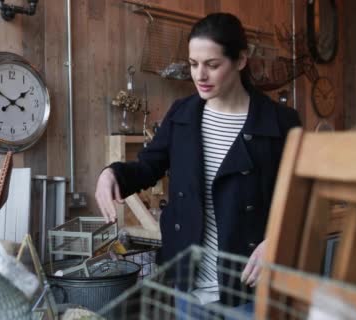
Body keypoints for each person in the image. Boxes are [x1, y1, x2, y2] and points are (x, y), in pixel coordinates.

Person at [95, 12, 301, 314]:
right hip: (188, 284)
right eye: (193, 64)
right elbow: (148, 167)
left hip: (249, 284)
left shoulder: (281, 123)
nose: (199, 75)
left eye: (212, 65)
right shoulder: (182, 114)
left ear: (241, 60)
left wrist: (279, 239)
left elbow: (301, 197)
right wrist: (111, 173)